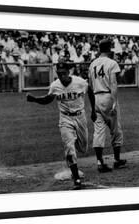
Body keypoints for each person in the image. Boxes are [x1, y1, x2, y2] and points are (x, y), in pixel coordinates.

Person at [26, 62, 91, 190]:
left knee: (83, 148)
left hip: (80, 117)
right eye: (59, 73)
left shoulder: (80, 82)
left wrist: (94, 110)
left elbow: (91, 92)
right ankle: (76, 178)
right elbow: (48, 99)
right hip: (65, 119)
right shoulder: (55, 85)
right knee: (69, 146)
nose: (61, 75)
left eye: (63, 73)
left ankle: (72, 155)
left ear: (68, 71)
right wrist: (35, 99)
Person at [88, 39, 127, 173]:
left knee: (98, 132)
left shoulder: (92, 64)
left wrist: (92, 106)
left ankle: (100, 162)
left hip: (96, 97)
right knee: (116, 130)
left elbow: (90, 86)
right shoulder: (112, 63)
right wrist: (114, 102)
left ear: (99, 49)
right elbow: (113, 84)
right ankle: (116, 160)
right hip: (108, 97)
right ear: (110, 49)